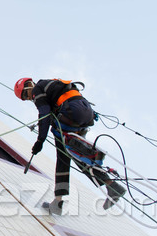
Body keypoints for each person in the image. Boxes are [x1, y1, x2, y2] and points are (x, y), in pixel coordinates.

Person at [14, 77, 127, 215]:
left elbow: (44, 116)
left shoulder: (37, 90)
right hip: (85, 114)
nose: (30, 98)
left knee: (62, 155)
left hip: (71, 113)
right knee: (77, 154)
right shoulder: (52, 84)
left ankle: (58, 201)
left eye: (26, 95)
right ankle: (111, 185)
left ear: (27, 86)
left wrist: (39, 142)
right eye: (26, 98)